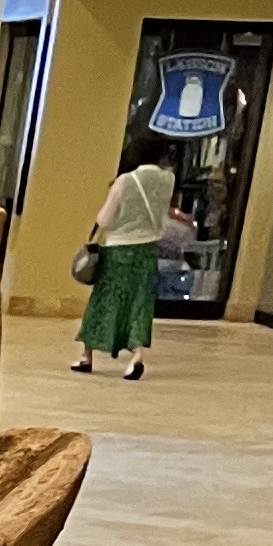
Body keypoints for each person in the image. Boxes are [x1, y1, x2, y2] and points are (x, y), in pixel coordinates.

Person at [71, 135, 174, 380]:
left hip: (118, 250)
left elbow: (104, 219)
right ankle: (136, 356)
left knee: (104, 301)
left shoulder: (125, 180)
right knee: (139, 303)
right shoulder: (168, 179)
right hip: (147, 251)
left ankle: (87, 355)